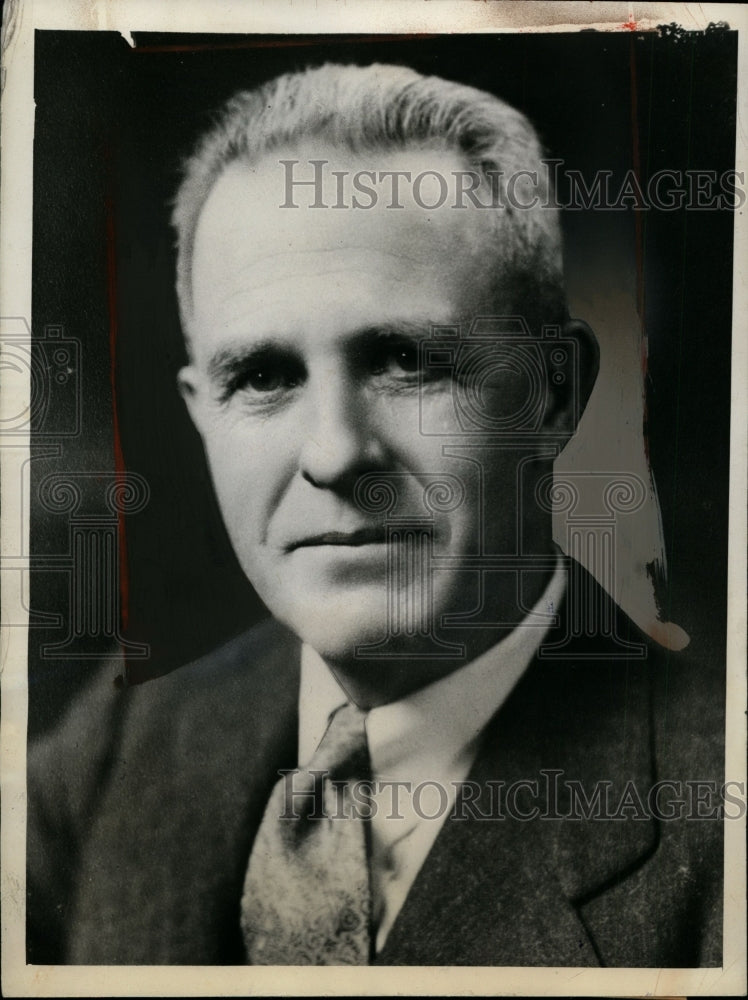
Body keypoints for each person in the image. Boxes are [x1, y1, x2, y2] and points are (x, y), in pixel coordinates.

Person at [27, 62, 723, 967]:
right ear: (203, 413)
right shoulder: (119, 752)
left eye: (405, 360)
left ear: (553, 395)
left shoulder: (716, 822)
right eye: (264, 377)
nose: (333, 452)